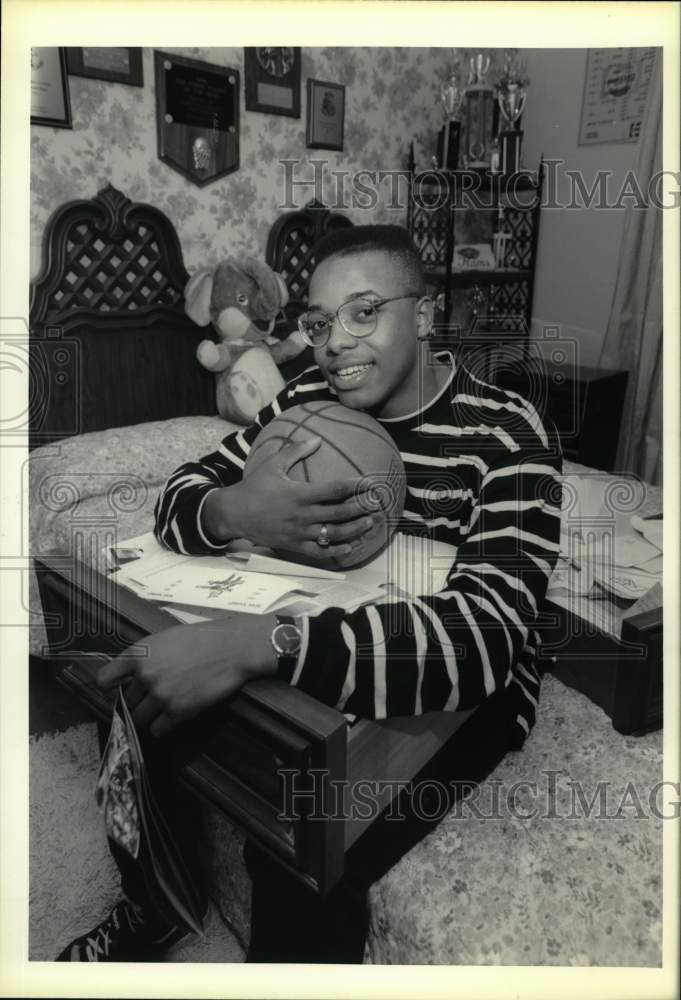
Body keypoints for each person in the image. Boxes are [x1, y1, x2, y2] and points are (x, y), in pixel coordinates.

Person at [57, 225, 562, 963]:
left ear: (421, 317)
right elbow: (180, 492)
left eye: (364, 313)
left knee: (296, 833)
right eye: (319, 323)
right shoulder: (305, 400)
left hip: (461, 690)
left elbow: (482, 638)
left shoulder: (506, 435)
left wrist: (254, 644)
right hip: (314, 618)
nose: (335, 343)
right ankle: (152, 904)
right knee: (144, 690)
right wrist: (236, 511)